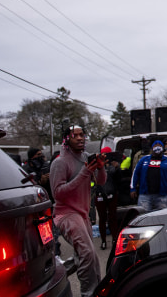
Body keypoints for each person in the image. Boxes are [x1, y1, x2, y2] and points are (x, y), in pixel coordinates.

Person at [49, 125, 106, 297]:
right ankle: (89, 294)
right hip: (66, 215)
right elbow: (57, 193)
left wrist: (101, 167)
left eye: (82, 135)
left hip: (83, 215)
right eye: (76, 136)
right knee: (87, 253)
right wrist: (84, 173)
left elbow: (101, 182)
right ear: (67, 139)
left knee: (86, 257)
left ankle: (52, 278)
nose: (81, 138)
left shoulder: (85, 158)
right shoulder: (59, 162)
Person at [129, 140, 167, 212]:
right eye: (155, 146)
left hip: (163, 195)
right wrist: (133, 188)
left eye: (160, 145)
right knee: (143, 216)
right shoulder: (144, 160)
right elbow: (135, 174)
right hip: (145, 195)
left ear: (163, 148)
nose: (157, 147)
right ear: (152, 148)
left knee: (162, 216)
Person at [94, 147, 120, 250]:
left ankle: (114, 238)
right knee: (102, 218)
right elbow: (94, 178)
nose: (105, 157)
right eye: (103, 154)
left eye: (107, 154)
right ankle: (103, 241)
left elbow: (119, 179)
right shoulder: (97, 166)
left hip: (112, 194)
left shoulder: (113, 166)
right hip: (100, 194)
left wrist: (117, 168)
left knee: (113, 217)